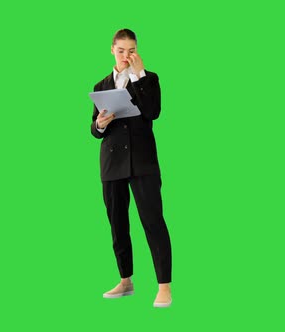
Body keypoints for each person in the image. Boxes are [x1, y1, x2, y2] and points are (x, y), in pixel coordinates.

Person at [90, 28, 172, 308]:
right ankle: (125, 280)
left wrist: (138, 76)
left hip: (142, 160)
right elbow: (94, 129)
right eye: (122, 50)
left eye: (132, 50)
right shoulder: (101, 85)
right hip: (112, 162)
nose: (127, 55)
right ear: (112, 49)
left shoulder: (149, 79)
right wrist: (100, 123)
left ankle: (164, 286)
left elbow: (153, 112)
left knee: (153, 220)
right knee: (117, 222)